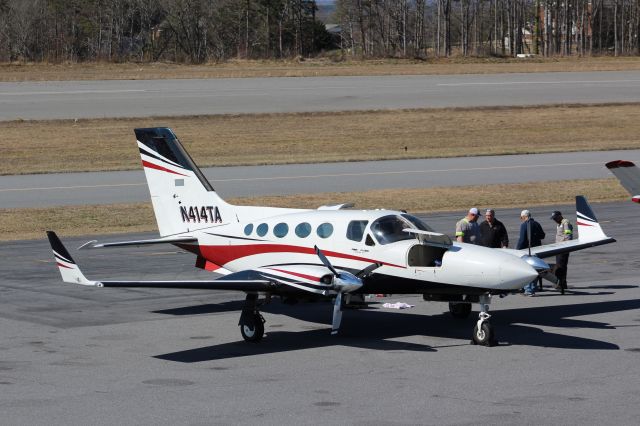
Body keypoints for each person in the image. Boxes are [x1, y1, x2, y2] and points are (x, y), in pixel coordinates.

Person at [516, 210, 546, 296]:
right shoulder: (536, 223)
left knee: (527, 269)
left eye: (521, 217)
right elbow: (542, 235)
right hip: (538, 250)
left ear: (524, 217)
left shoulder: (524, 225)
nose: (521, 219)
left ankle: (528, 290)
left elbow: (522, 240)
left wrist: (517, 250)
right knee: (535, 269)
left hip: (527, 250)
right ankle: (533, 287)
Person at [551, 210, 573, 294]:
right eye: (553, 218)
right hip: (558, 248)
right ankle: (561, 283)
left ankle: (562, 284)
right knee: (559, 266)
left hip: (563, 249)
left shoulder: (565, 223)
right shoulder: (559, 223)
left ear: (560, 216)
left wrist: (563, 246)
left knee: (561, 267)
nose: (554, 220)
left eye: (555, 218)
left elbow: (568, 236)